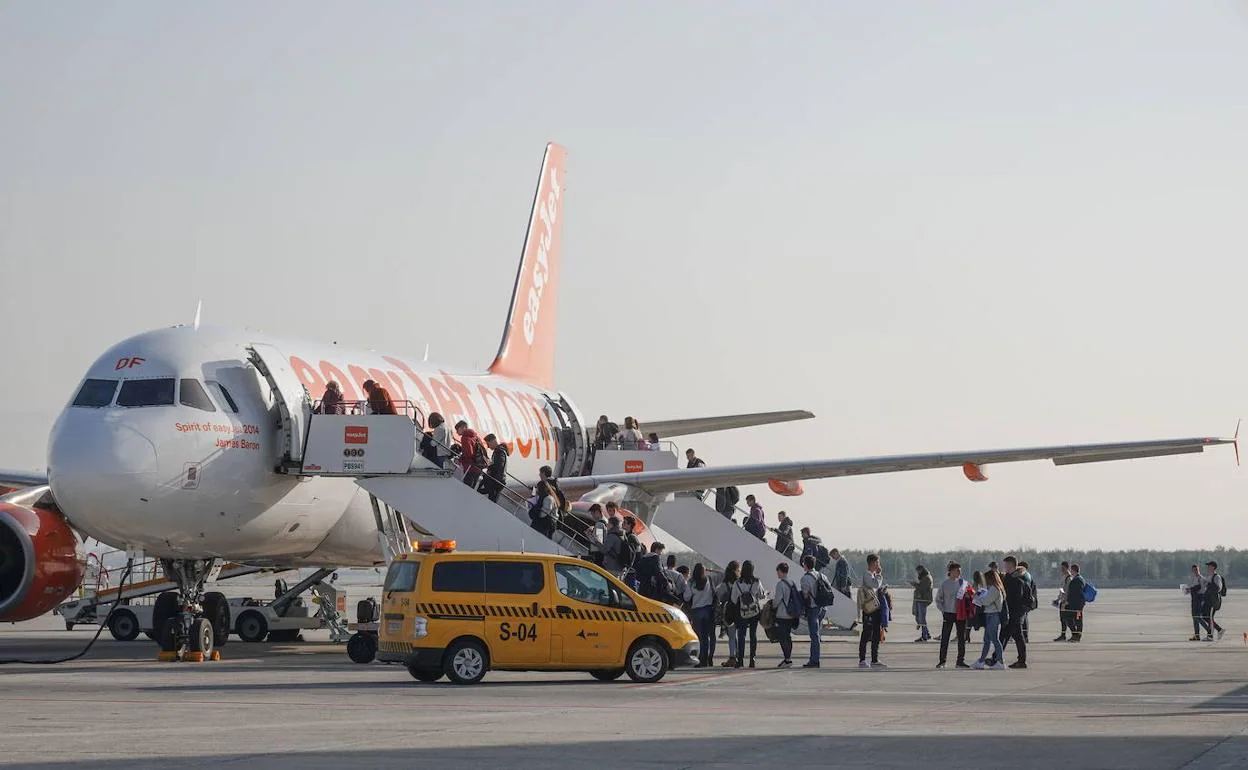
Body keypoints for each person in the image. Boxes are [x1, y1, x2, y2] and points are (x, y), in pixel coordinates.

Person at [730, 560, 766, 668]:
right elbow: (761, 595)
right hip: (754, 612)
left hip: (742, 612)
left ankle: (740, 659)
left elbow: (733, 599)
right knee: (753, 635)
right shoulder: (756, 582)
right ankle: (752, 659)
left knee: (741, 635)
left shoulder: (737, 583)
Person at [935, 561, 969, 669]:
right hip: (948, 613)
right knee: (945, 637)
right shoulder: (945, 584)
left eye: (960, 570)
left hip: (960, 613)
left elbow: (969, 596)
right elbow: (938, 599)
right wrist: (943, 610)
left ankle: (960, 661)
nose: (959, 572)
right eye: (956, 570)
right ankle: (942, 661)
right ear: (951, 571)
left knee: (961, 638)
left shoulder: (963, 583)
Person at [971, 569, 1007, 669]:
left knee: (994, 639)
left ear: (991, 578)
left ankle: (1000, 661)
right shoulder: (990, 588)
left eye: (986, 579)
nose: (984, 581)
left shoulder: (995, 589)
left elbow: (986, 601)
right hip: (989, 615)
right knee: (986, 640)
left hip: (993, 615)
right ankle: (981, 661)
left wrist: (978, 598)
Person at [1000, 555, 1030, 669]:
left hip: (1015, 613)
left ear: (1012, 565)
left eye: (1007, 565)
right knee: (1005, 635)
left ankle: (1021, 661)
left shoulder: (1019, 579)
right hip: (1010, 612)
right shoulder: (1008, 577)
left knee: (1016, 636)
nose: (1005, 567)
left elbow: (1016, 598)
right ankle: (996, 657)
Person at [684, 563, 717, 667]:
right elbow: (714, 593)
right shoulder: (709, 580)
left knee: (698, 637)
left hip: (696, 610)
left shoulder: (691, 582)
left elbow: (686, 597)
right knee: (706, 636)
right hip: (708, 610)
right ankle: (707, 659)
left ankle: (699, 659)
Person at [857, 554, 887, 668]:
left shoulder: (873, 575)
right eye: (877, 563)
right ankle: (862, 659)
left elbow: (876, 587)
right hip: (869, 609)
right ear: (873, 563)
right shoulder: (867, 574)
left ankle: (875, 660)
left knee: (876, 634)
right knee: (866, 634)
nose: (879, 565)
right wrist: (879, 575)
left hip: (876, 608)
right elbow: (874, 584)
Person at [772, 562, 800, 668]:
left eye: (778, 571)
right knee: (788, 637)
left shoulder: (780, 584)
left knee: (782, 637)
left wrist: (772, 606)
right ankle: (788, 658)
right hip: (791, 614)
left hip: (782, 614)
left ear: (781, 571)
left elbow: (777, 600)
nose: (777, 574)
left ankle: (787, 659)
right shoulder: (792, 582)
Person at [800, 555, 824, 668]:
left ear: (805, 564)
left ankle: (814, 660)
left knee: (814, 635)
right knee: (817, 635)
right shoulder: (821, 575)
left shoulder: (805, 578)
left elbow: (805, 595)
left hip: (813, 608)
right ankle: (814, 658)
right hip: (822, 607)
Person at [717, 561, 742, 667]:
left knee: (731, 636)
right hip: (740, 611)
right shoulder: (740, 583)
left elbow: (719, 597)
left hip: (729, 613)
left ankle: (732, 657)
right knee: (740, 635)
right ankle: (739, 656)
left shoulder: (724, 584)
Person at [480, 434, 509, 503]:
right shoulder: (500, 451)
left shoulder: (499, 451)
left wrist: (489, 468)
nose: (488, 447)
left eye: (488, 443)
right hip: (499, 479)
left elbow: (499, 466)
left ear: (493, 441)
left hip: (497, 480)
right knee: (492, 499)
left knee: (491, 499)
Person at [1184, 564, 1208, 641]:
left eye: (1196, 570)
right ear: (1192, 571)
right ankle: (1197, 635)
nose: (1195, 571)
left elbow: (1200, 588)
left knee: (1197, 617)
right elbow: (1191, 588)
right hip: (1194, 599)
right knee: (1194, 618)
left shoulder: (1201, 578)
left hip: (1199, 599)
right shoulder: (1193, 579)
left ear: (1199, 570)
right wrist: (1187, 590)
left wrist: (1191, 589)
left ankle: (1209, 630)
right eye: (1194, 570)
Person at [1203, 561, 1226, 641]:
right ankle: (1219, 630)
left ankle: (1210, 636)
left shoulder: (1217, 577)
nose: (1208, 567)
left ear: (1213, 567)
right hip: (1208, 600)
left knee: (1209, 617)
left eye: (1209, 566)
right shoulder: (1209, 576)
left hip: (1213, 600)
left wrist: (1209, 585)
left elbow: (1218, 588)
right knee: (1206, 616)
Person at [1064, 563, 1087, 643]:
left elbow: (1076, 593)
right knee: (1069, 618)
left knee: (1078, 620)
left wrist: (1068, 601)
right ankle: (1075, 634)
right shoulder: (1079, 579)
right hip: (1075, 604)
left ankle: (1077, 636)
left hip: (1077, 605)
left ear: (1073, 570)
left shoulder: (1078, 580)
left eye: (1071, 570)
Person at [911, 565, 933, 642]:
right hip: (921, 599)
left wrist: (915, 585)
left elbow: (922, 588)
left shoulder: (926, 578)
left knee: (922, 618)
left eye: (918, 571)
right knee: (921, 618)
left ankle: (925, 635)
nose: (917, 573)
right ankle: (926, 634)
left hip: (923, 600)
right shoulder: (924, 577)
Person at [1054, 561, 1073, 641]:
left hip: (1066, 601)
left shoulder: (1069, 578)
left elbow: (1068, 591)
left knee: (1067, 619)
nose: (1061, 569)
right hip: (1062, 601)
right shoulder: (1064, 577)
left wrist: (1065, 601)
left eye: (1063, 568)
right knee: (1062, 619)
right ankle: (1063, 635)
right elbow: (1062, 589)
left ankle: (1075, 633)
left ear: (1067, 568)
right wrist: (1058, 599)